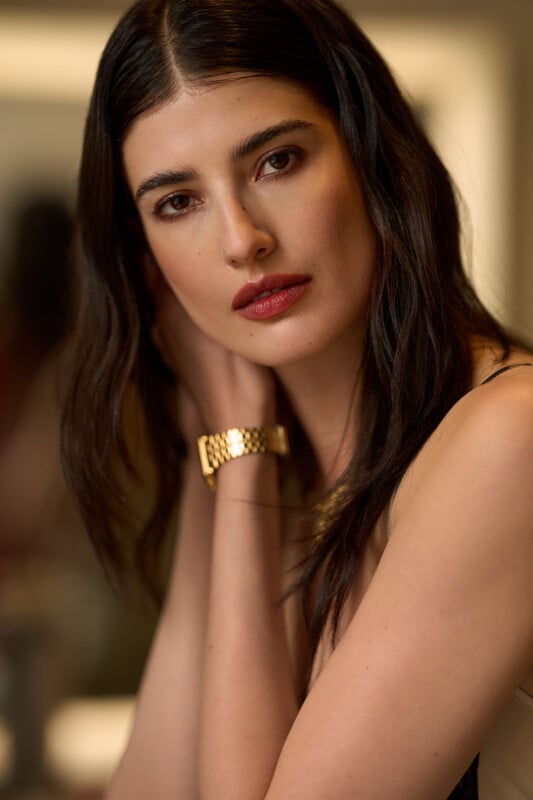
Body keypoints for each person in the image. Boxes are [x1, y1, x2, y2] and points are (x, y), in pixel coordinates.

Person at [60, 0, 533, 797]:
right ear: (147, 267)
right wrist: (228, 443)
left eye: (276, 161)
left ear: (370, 154)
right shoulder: (289, 471)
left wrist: (240, 454)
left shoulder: (507, 437)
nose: (242, 239)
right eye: (178, 203)